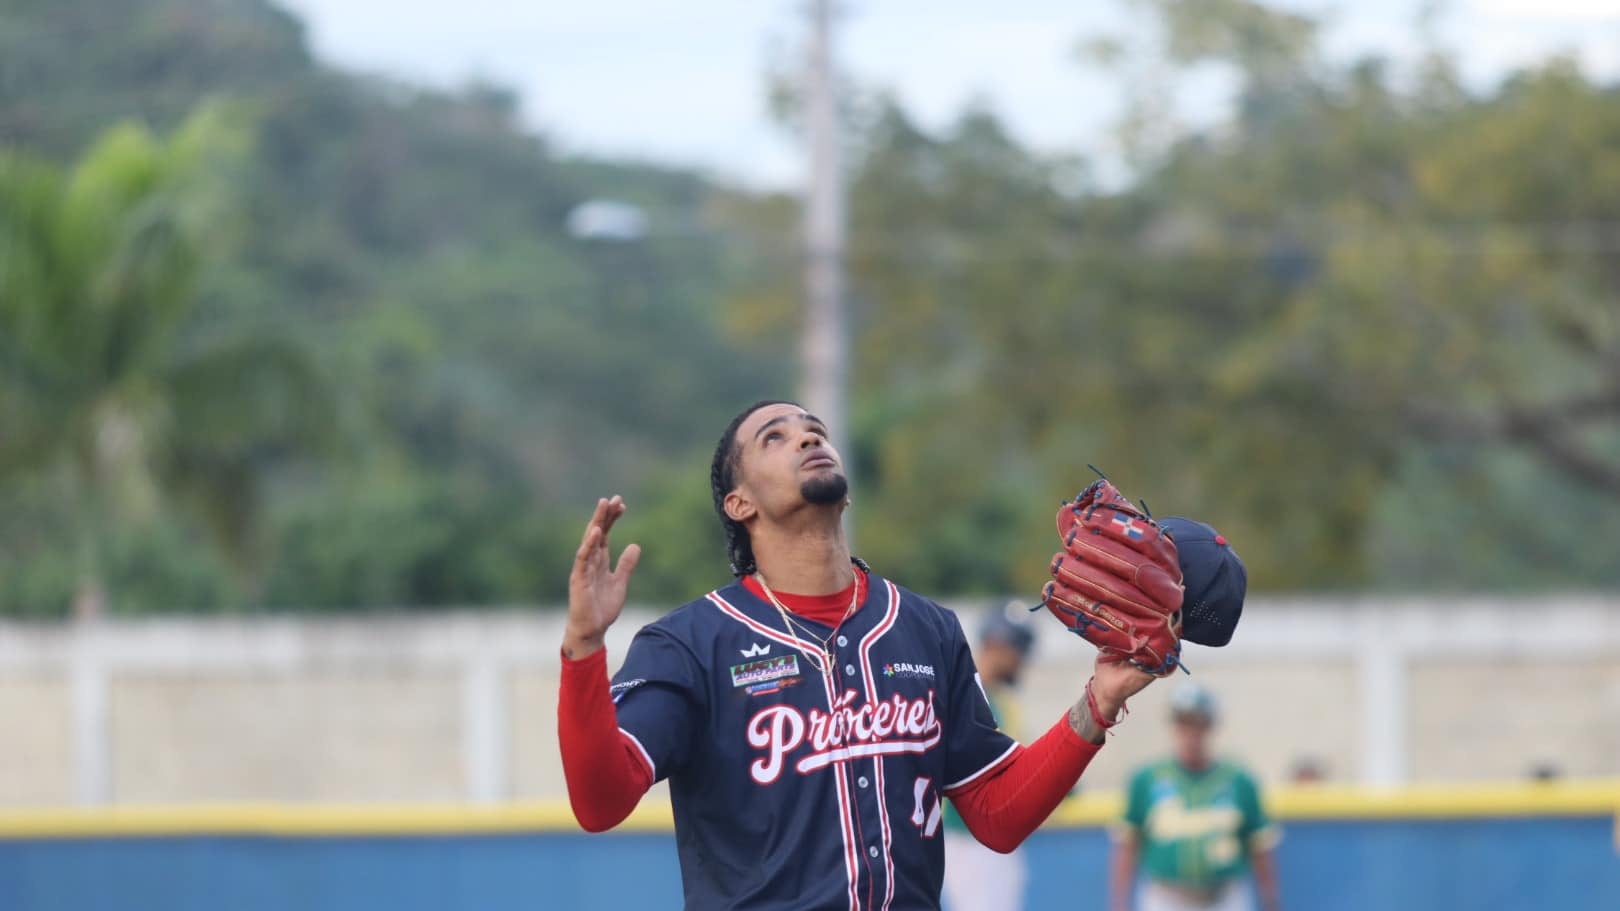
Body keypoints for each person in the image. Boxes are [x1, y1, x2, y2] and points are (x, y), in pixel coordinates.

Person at [558, 400, 1164, 911]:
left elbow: (996, 814)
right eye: (776, 438)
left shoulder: (925, 628)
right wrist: (584, 650)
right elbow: (600, 801)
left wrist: (1099, 701)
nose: (805, 437)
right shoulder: (693, 645)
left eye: (814, 431)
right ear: (738, 504)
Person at [1110, 684, 1280, 911]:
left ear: (1210, 726)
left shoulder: (1239, 780)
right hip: (1165, 898)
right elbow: (1128, 846)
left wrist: (1271, 902)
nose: (1191, 733)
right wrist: (1118, 905)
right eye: (1185, 723)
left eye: (1199, 723)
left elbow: (1260, 849)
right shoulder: (1147, 778)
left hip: (1225, 897)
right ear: (1174, 726)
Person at [941, 606, 1037, 911]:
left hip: (995, 838)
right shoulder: (962, 693)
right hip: (968, 837)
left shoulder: (1001, 699)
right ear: (995, 644)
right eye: (1018, 648)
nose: (1022, 659)